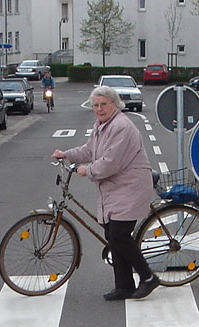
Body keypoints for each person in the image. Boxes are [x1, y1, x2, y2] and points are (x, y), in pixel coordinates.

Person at [51, 85, 159, 301]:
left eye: (103, 104)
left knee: (118, 235)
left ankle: (148, 278)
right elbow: (90, 150)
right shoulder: (102, 125)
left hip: (130, 187)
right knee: (112, 235)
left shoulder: (120, 127)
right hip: (116, 189)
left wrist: (87, 170)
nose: (99, 109)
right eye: (96, 105)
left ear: (114, 104)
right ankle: (124, 286)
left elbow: (111, 162)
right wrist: (67, 155)